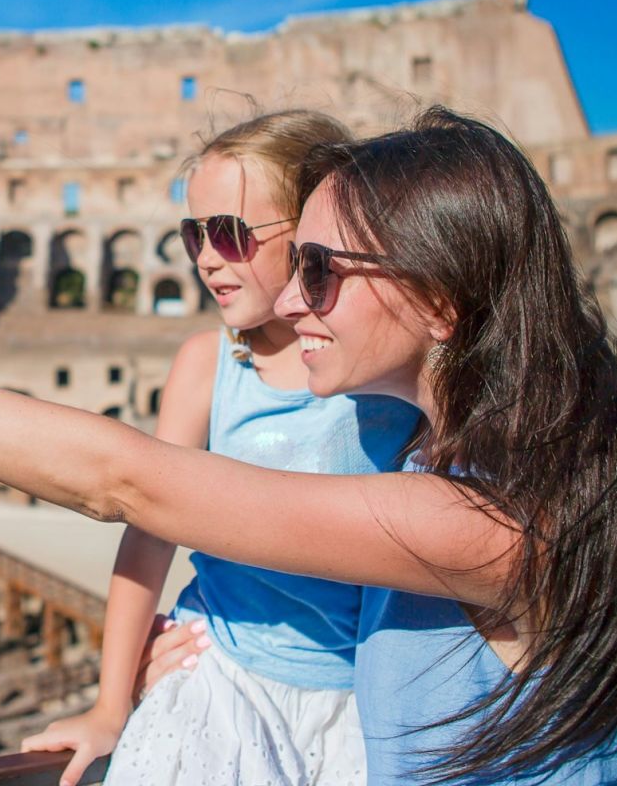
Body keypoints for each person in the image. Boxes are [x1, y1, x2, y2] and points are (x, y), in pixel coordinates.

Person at [0, 107, 617, 784]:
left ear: (439, 302)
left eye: (318, 271)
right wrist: (199, 644)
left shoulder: (497, 521)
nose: (286, 303)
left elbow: (125, 483)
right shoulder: (499, 463)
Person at [25, 109, 420, 786]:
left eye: (231, 234)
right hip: (226, 668)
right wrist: (110, 704)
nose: (208, 256)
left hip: (365, 690)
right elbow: (147, 533)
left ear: (312, 234)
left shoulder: (384, 370)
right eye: (194, 234)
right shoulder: (208, 367)